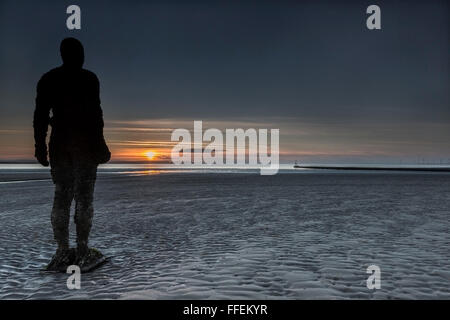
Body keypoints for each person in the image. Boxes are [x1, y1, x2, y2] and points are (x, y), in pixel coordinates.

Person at [33, 37, 110, 270]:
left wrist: (40, 146)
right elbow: (96, 117)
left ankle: (64, 250)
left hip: (60, 144)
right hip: (82, 145)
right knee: (82, 198)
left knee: (62, 197)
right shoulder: (88, 79)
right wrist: (101, 147)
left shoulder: (49, 79)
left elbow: (40, 117)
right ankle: (80, 249)